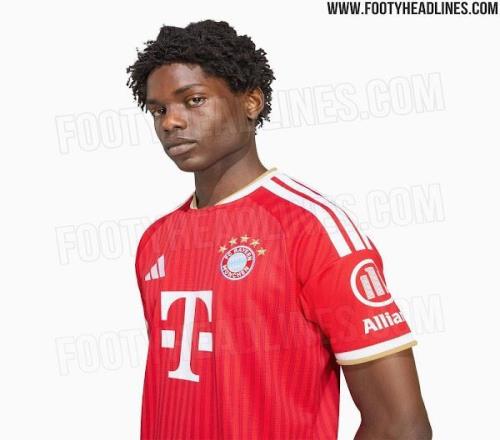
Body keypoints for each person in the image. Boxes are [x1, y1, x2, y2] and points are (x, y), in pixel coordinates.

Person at [126, 19, 432, 440]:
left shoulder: (312, 228)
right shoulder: (156, 241)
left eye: (194, 100)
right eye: (158, 110)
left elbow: (401, 426)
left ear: (251, 102)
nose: (171, 122)